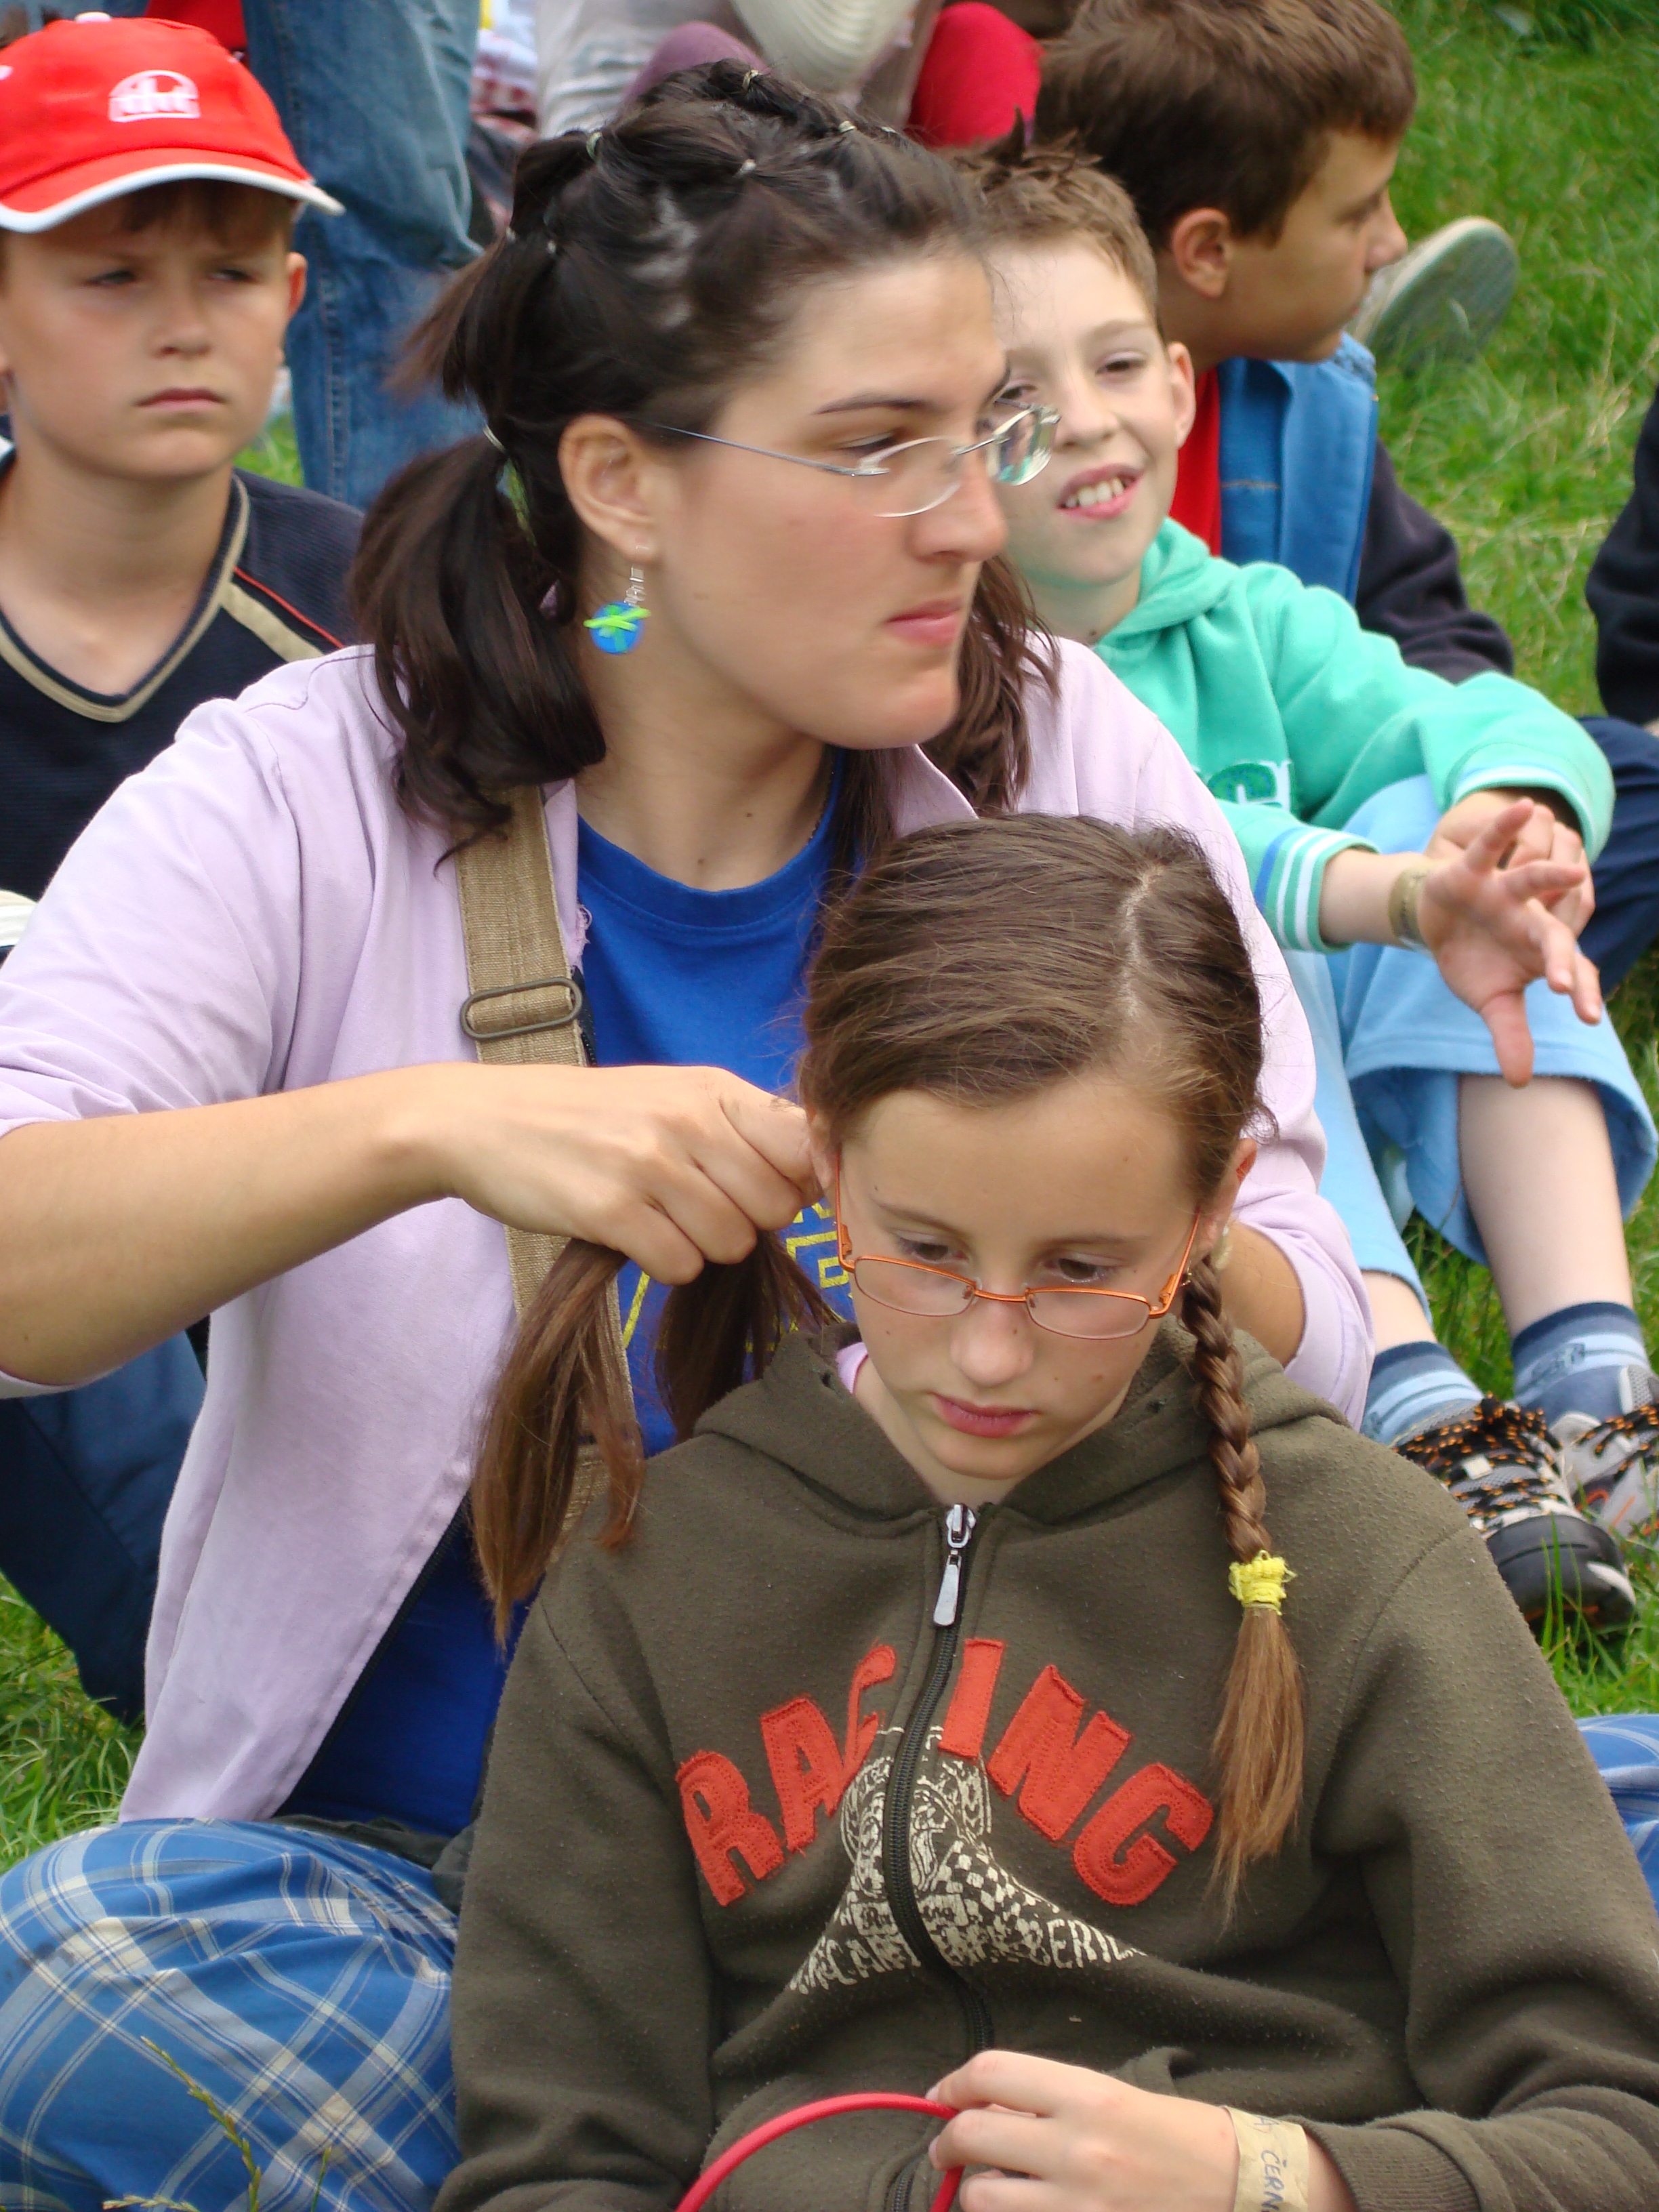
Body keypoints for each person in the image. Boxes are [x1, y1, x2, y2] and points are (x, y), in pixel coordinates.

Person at [0, 68, 1368, 2211]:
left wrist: (1043, 1243)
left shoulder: (1059, 753)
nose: (973, 523)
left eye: (986, 431)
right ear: (622, 482)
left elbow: (1322, 1312)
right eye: (879, 448)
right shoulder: (299, 791)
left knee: (1619, 1818)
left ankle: (769, 2153)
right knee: (84, 1977)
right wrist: (434, 1129)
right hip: (449, 1898)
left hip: (1048, 1869)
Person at [440, 813, 1659, 2212]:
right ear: (828, 1161)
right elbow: (560, 2160)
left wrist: (1269, 2180)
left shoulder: (1370, 1561)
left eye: (1081, 1269)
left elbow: (1617, 2128)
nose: (989, 1353)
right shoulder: (650, 1584)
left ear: (1210, 1212)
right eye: (926, 1252)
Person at [957, 137, 1658, 1618]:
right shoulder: (966, 683)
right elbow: (1202, 859)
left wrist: (1512, 812)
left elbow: (1472, 708)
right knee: (1218, 936)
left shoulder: (1245, 616)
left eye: (1118, 364)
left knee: (1453, 821)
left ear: (1179, 386)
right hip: (1190, 1162)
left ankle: (1595, 1377)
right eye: (1016, 399)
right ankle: (1413, 1408)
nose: (1085, 422)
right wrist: (1392, 893)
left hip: (1327, 1094)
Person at [1035, 0, 1659, 993]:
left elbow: (1432, 638)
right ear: (1208, 250)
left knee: (1614, 781)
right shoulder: (1049, 462)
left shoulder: (1316, 402)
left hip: (1329, 806)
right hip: (1110, 893)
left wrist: (1484, 790)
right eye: (1358, 211)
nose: (1393, 240)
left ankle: (1456, 953)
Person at [0, 14, 359, 1722]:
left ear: (292, 299)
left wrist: (635, 601)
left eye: (228, 271)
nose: (180, 323)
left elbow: (614, 650)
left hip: (306, 1181)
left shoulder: (376, 606)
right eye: (108, 274)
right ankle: (237, 1705)